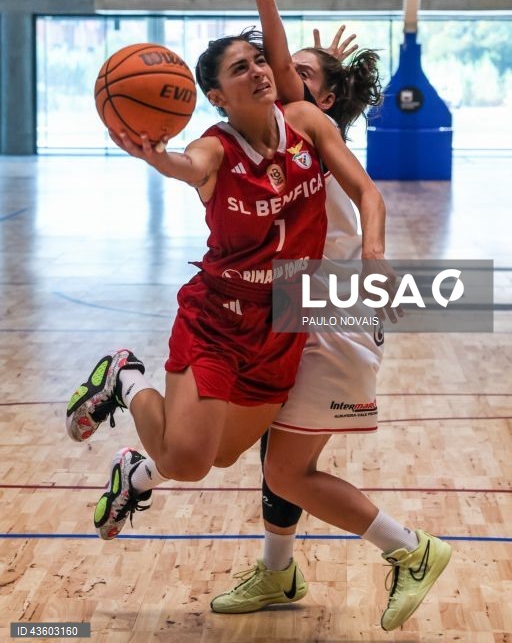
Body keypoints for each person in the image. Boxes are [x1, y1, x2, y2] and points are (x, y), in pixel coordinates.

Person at [209, 0, 452, 633]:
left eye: (293, 73)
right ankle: (278, 572)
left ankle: (410, 550)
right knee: (273, 451)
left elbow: (296, 94)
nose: (276, 75)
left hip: (334, 315)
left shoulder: (310, 130)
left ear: (319, 97)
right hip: (300, 311)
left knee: (285, 468)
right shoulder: (285, 135)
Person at [66, 28, 388, 550]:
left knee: (221, 454)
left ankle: (138, 466)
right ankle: (125, 378)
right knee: (196, 460)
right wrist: (156, 157)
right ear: (215, 96)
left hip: (287, 322)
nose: (266, 72)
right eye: (244, 68)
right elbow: (190, 166)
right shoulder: (216, 147)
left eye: (265, 62)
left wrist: (375, 256)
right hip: (222, 315)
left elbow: (368, 192)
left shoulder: (308, 125)